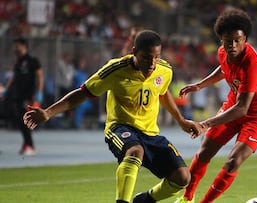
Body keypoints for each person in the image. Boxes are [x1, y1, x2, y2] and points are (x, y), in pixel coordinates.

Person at [23, 30, 202, 203]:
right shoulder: (114, 70)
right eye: (147, 56)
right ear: (134, 52)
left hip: (150, 133)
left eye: (156, 56)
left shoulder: (164, 70)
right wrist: (48, 112)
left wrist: (181, 121)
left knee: (182, 177)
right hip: (119, 127)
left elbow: (162, 93)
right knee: (135, 152)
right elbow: (82, 93)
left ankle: (145, 200)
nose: (152, 63)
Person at [175, 8, 257, 203]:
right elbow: (223, 68)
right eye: (228, 40)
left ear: (245, 38)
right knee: (204, 152)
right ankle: (187, 199)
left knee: (233, 161)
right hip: (234, 103)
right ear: (221, 39)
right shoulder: (223, 52)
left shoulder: (251, 63)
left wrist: (205, 124)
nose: (233, 45)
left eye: (238, 40)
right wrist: (199, 85)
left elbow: (242, 108)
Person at [2, 37, 44, 156]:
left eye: (16, 45)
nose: (14, 48)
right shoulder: (19, 61)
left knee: (25, 121)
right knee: (20, 121)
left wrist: (39, 93)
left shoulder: (32, 60)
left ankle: (30, 146)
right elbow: (14, 77)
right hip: (17, 95)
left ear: (23, 46)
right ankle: (26, 144)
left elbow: (40, 76)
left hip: (28, 96)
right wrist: (6, 89)